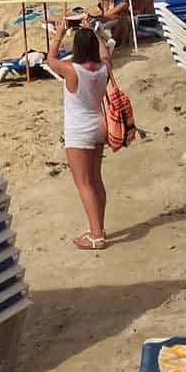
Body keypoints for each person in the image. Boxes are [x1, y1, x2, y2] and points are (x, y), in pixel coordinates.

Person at [46, 21, 111, 250]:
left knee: (84, 183)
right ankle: (98, 228)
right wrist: (94, 30)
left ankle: (96, 235)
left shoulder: (71, 69)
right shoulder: (104, 67)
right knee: (96, 180)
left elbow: (50, 60)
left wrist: (59, 33)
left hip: (79, 130)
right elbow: (105, 51)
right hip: (99, 125)